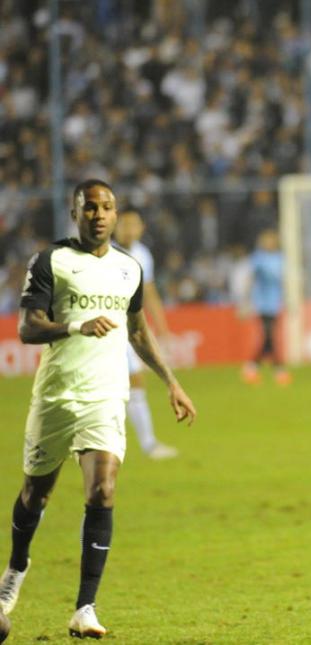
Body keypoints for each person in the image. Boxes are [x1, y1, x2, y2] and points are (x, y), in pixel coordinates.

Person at [0, 180, 196, 638]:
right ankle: (14, 573)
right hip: (55, 397)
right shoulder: (51, 261)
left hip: (106, 396)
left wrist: (171, 381)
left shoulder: (129, 269)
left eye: (107, 207)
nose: (100, 214)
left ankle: (85, 607)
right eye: (90, 207)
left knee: (103, 490)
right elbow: (28, 329)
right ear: (76, 213)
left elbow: (138, 331)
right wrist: (75, 325)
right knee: (35, 495)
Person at [113, 208, 179, 459]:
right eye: (124, 224)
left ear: (141, 228)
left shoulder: (141, 254)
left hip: (126, 328)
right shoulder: (101, 251)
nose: (129, 230)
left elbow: (149, 292)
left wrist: (162, 329)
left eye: (134, 225)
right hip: (101, 327)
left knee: (135, 380)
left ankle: (148, 444)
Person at [241, 228, 290, 385]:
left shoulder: (280, 258)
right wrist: (246, 300)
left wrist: (287, 299)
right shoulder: (259, 258)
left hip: (275, 303)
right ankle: (278, 369)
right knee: (269, 335)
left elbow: (284, 281)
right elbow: (251, 279)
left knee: (269, 337)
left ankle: (252, 367)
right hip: (262, 303)